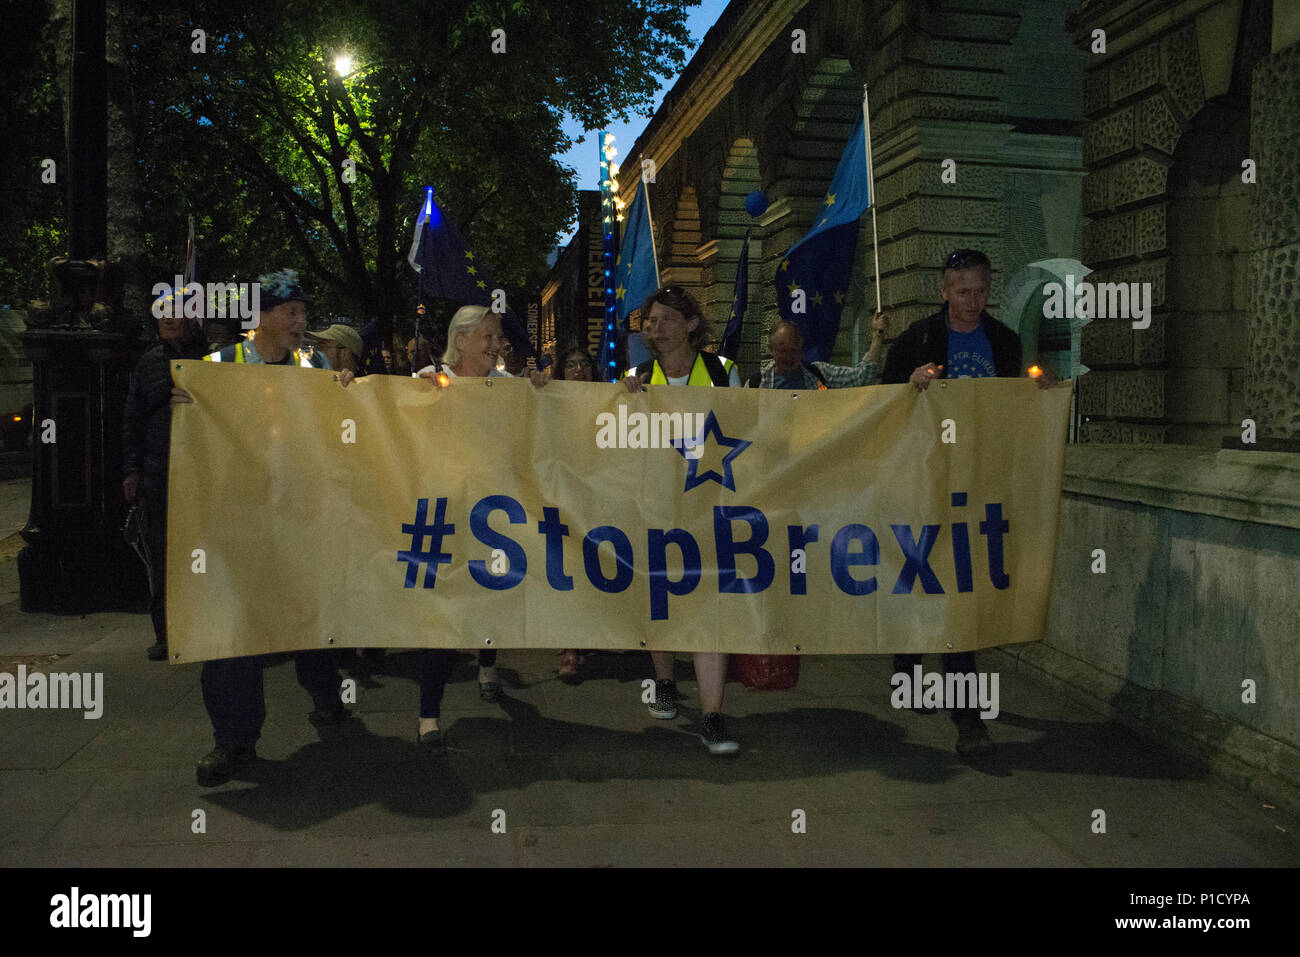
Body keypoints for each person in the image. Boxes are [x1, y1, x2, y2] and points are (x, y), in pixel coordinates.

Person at [171, 268, 352, 785]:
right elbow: (178, 423)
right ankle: (233, 741)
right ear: (262, 318)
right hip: (234, 526)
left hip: (299, 518)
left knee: (309, 613)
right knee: (232, 630)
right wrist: (178, 406)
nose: (301, 322)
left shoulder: (312, 364)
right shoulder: (215, 366)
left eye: (301, 312)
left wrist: (344, 392)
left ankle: (324, 691)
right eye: (292, 313)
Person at [880, 248, 1055, 758]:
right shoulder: (918, 340)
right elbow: (883, 403)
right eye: (962, 291)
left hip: (978, 486)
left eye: (980, 291)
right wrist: (908, 386)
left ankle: (968, 719)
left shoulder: (1004, 341)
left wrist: (1038, 390)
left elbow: (1011, 407)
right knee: (917, 580)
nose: (972, 301)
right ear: (944, 291)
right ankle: (909, 667)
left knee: (960, 594)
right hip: (923, 481)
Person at [408, 305, 548, 747]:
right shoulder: (428, 383)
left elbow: (539, 420)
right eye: (486, 335)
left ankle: (488, 664)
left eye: (498, 336)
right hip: (442, 514)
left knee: (489, 591)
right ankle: (428, 713)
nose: (495, 343)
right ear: (461, 340)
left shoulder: (507, 388)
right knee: (442, 610)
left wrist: (542, 391)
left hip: (490, 513)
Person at [624, 286, 740, 754]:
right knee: (662, 597)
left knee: (709, 605)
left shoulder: (722, 372)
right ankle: (665, 679)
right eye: (651, 321)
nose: (657, 328)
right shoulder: (636, 375)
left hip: (710, 506)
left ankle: (712, 714)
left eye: (668, 319)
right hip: (655, 504)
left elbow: (748, 428)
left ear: (692, 324)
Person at [122, 284, 210, 661]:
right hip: (159, 474)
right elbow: (132, 420)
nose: (169, 319)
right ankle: (166, 633)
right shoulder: (147, 362)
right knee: (162, 556)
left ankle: (205, 627)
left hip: (201, 475)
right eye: (163, 312)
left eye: (176, 311)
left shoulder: (210, 359)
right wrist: (132, 470)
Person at [550, 346, 597, 683]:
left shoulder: (609, 401)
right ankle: (569, 648)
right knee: (564, 570)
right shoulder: (550, 401)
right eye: (571, 364)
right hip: (560, 494)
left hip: (594, 497)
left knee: (587, 570)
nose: (578, 369)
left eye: (584, 364)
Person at [746, 313, 890, 390]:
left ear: (801, 349)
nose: (789, 357)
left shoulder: (820, 375)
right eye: (783, 351)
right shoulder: (755, 385)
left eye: (794, 350)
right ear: (772, 351)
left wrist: (877, 337)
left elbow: (862, 377)